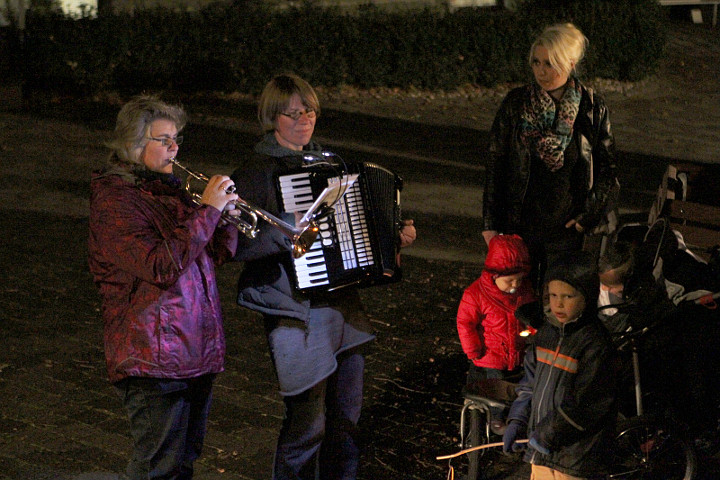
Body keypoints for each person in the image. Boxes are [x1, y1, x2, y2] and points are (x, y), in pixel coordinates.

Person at [229, 73, 416, 480]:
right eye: (292, 113)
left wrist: (391, 234)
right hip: (292, 309)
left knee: (346, 419)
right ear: (271, 118)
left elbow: (354, 227)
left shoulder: (329, 163)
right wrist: (284, 230)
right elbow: (235, 246)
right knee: (307, 424)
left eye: (309, 109)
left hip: (342, 305)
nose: (304, 118)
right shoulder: (256, 171)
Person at [88, 95, 240, 479]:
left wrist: (225, 221)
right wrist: (207, 212)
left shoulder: (170, 191)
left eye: (177, 139)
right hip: (152, 357)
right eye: (164, 139)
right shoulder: (115, 201)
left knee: (184, 462)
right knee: (157, 467)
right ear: (133, 145)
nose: (175, 148)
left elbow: (210, 256)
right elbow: (160, 264)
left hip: (194, 350)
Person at [482, 22, 619, 288]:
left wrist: (587, 217)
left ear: (570, 64)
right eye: (537, 62)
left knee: (562, 295)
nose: (541, 71)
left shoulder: (591, 107)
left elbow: (608, 168)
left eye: (550, 63)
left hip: (567, 227)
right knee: (521, 296)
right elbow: (495, 163)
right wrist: (490, 222)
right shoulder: (516, 103)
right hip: (520, 223)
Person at [502, 251, 618, 480]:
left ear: (587, 296)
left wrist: (547, 434)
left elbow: (588, 402)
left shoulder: (595, 344)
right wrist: (518, 419)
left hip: (576, 457)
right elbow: (530, 383)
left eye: (568, 296)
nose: (558, 303)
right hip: (543, 452)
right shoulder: (546, 334)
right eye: (553, 295)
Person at [456, 234, 536, 433]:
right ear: (495, 276)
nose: (515, 285)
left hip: (516, 353)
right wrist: (473, 349)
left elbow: (531, 315)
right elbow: (465, 323)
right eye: (510, 281)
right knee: (494, 388)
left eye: (519, 280)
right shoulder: (476, 294)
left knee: (515, 386)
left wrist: (533, 332)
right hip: (489, 355)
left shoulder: (524, 292)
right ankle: (495, 418)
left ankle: (515, 417)